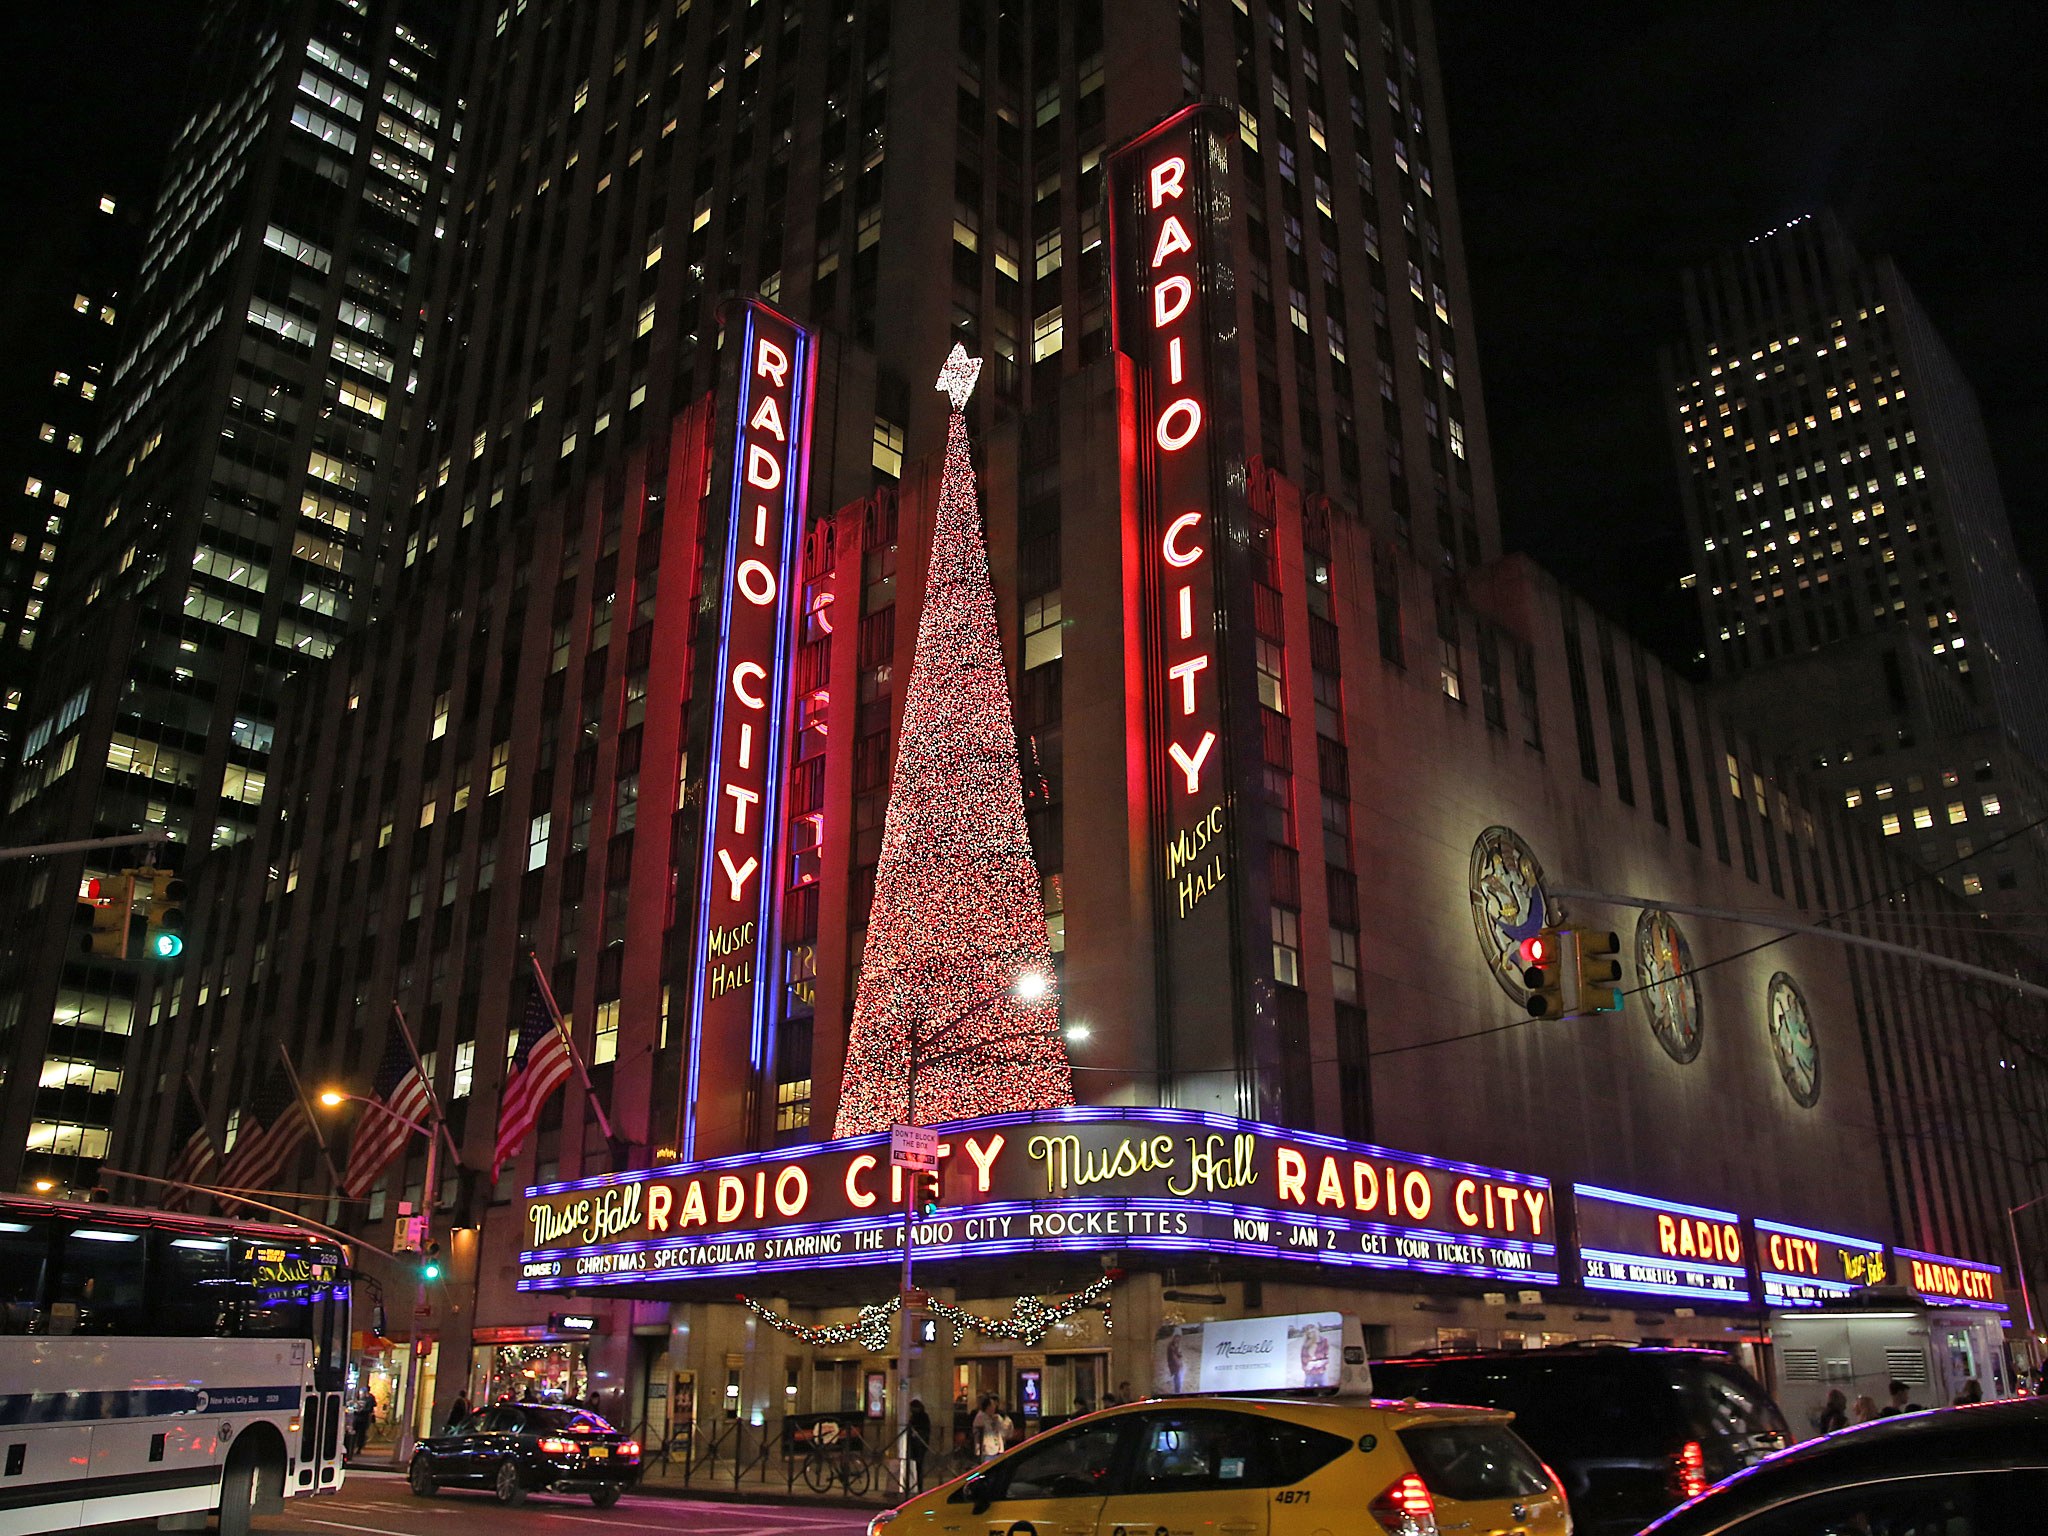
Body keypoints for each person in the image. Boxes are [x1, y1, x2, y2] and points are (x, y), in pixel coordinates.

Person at [907, 1398, 931, 1493]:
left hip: (919, 1444)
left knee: (919, 1465)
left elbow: (925, 1430)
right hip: (916, 1444)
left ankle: (919, 1486)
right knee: (917, 1465)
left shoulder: (921, 1416)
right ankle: (915, 1485)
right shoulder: (917, 1416)